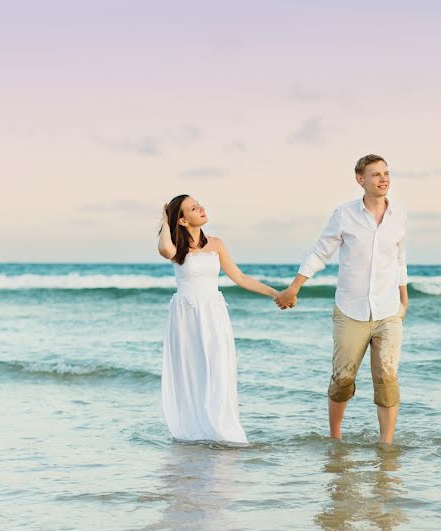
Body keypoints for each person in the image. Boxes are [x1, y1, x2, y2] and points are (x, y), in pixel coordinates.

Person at [276, 154, 408, 445]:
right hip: (351, 310)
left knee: (387, 379)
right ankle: (335, 439)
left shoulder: (399, 214)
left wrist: (404, 299)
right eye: (375, 174)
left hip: (388, 311)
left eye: (386, 173)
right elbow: (320, 252)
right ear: (361, 180)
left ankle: (386, 447)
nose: (383, 179)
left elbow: (399, 258)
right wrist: (294, 288)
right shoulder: (344, 214)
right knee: (342, 379)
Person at [158, 194, 280, 443]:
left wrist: (275, 293)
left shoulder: (216, 243)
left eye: (199, 204)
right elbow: (164, 249)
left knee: (219, 369)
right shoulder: (177, 248)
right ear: (182, 220)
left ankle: (223, 430)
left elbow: (240, 277)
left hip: (214, 313)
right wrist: (164, 220)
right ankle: (195, 430)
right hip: (186, 317)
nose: (201, 208)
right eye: (193, 208)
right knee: (192, 371)